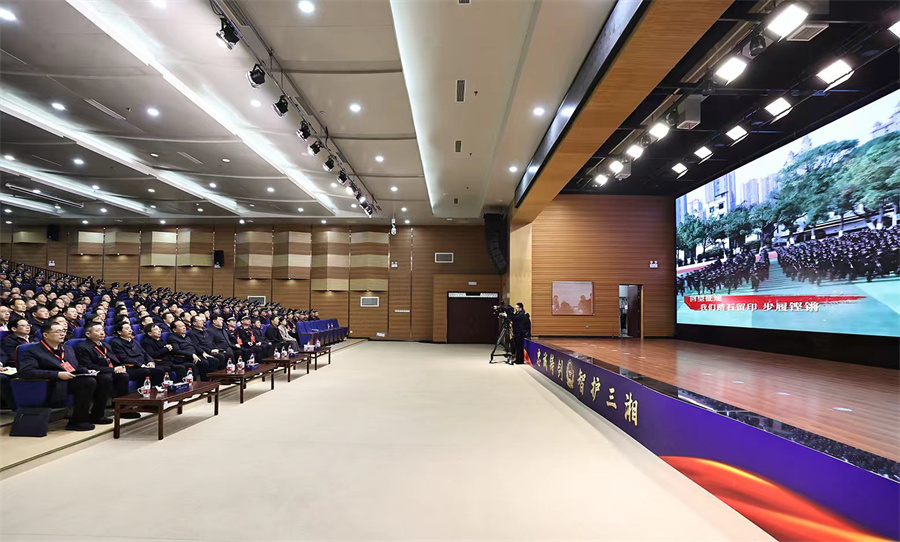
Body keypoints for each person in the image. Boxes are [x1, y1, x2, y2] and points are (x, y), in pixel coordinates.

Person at [17, 320, 113, 431]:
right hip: (52, 382)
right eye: (58, 332)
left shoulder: (67, 348)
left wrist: (87, 371)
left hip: (70, 378)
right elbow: (27, 371)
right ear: (46, 334)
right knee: (87, 382)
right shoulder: (33, 351)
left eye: (63, 331)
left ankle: (97, 415)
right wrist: (57, 374)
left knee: (104, 378)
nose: (62, 334)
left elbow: (74, 366)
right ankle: (78, 420)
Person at [75, 322, 150, 401]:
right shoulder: (83, 347)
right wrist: (113, 369)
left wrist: (120, 367)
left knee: (130, 374)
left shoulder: (105, 345)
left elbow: (114, 360)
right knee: (108, 378)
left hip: (111, 370)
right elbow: (89, 366)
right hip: (100, 372)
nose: (102, 333)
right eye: (97, 331)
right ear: (88, 334)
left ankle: (123, 403)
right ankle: (103, 406)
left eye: (102, 330)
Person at [108, 320, 167, 385]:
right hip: (131, 368)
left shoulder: (134, 341)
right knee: (145, 372)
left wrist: (150, 361)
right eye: (127, 329)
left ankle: (156, 389)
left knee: (160, 371)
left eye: (130, 328)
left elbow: (145, 353)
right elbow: (123, 358)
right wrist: (140, 364)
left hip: (143, 366)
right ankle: (144, 389)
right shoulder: (115, 343)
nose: (130, 330)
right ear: (119, 332)